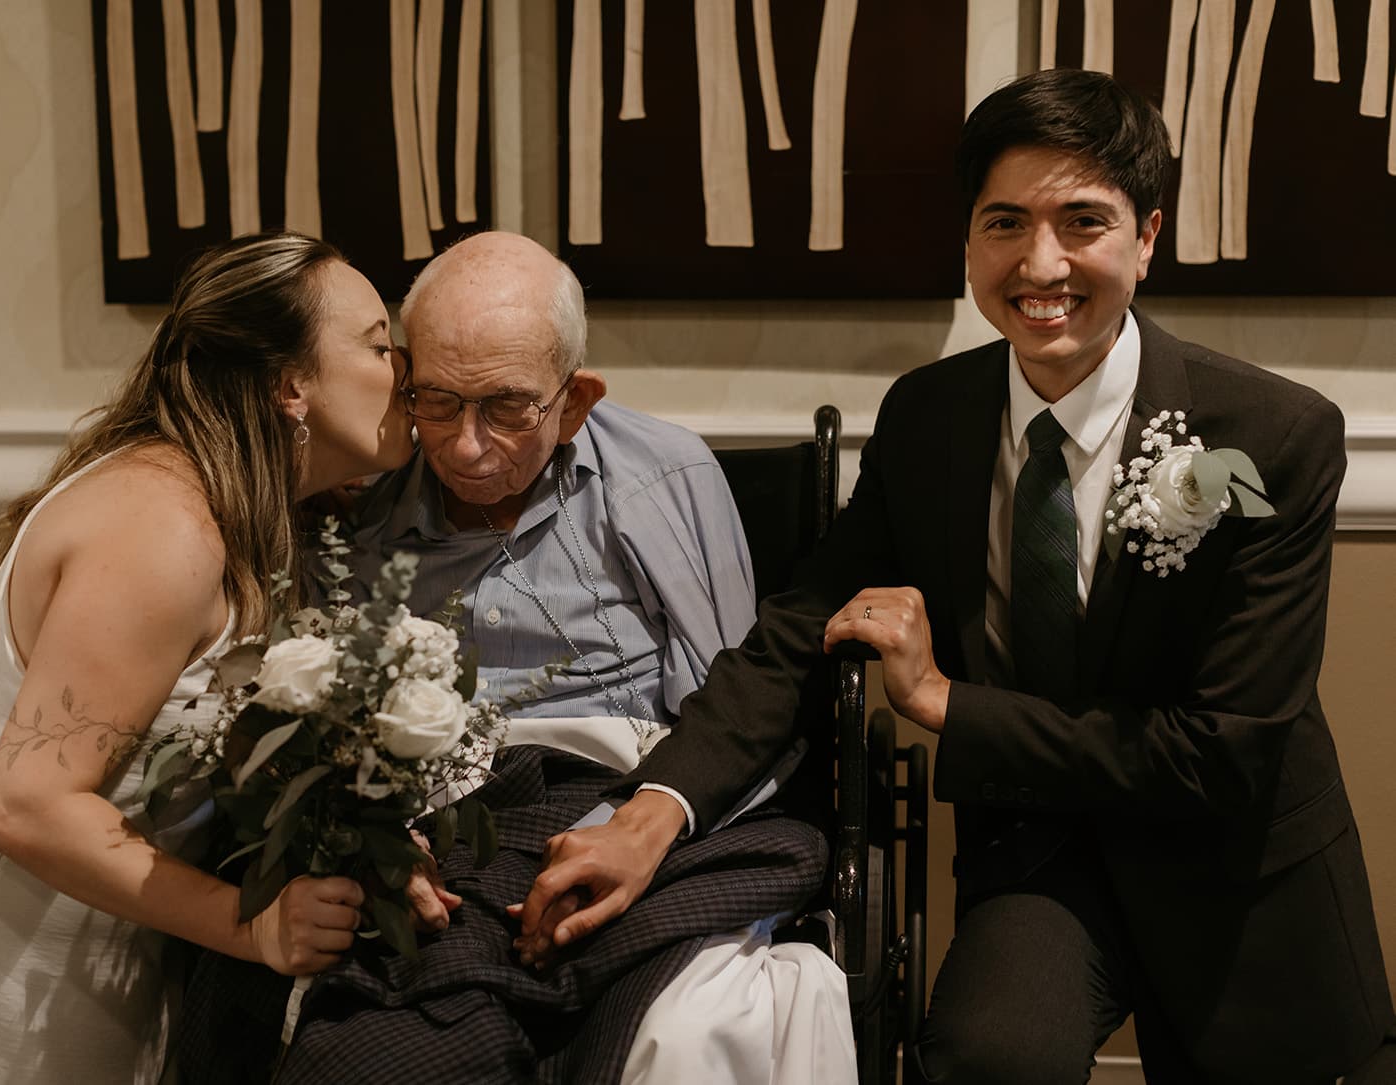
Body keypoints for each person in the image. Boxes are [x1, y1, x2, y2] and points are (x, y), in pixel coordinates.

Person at [526, 69, 1396, 1083]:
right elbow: (801, 627)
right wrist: (653, 808)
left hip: (1237, 864)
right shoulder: (928, 418)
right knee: (984, 1058)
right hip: (1040, 853)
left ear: (1146, 236)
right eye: (1003, 223)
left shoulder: (1272, 437)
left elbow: (1224, 756)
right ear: (968, 239)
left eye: (1082, 222)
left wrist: (944, 700)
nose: (1041, 264)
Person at [176, 231, 851, 1084]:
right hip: (443, 832)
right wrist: (367, 835)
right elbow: (313, 721)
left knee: (674, 1037)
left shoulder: (660, 478)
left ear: (574, 401)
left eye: (506, 408)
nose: (463, 446)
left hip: (624, 799)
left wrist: (629, 825)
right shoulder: (359, 509)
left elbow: (729, 709)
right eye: (437, 401)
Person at [0, 233, 428, 1084]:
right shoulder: (161, 526)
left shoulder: (259, 511)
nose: (401, 366)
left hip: (93, 942)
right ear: (291, 384)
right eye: (373, 343)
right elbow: (27, 806)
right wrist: (251, 927)